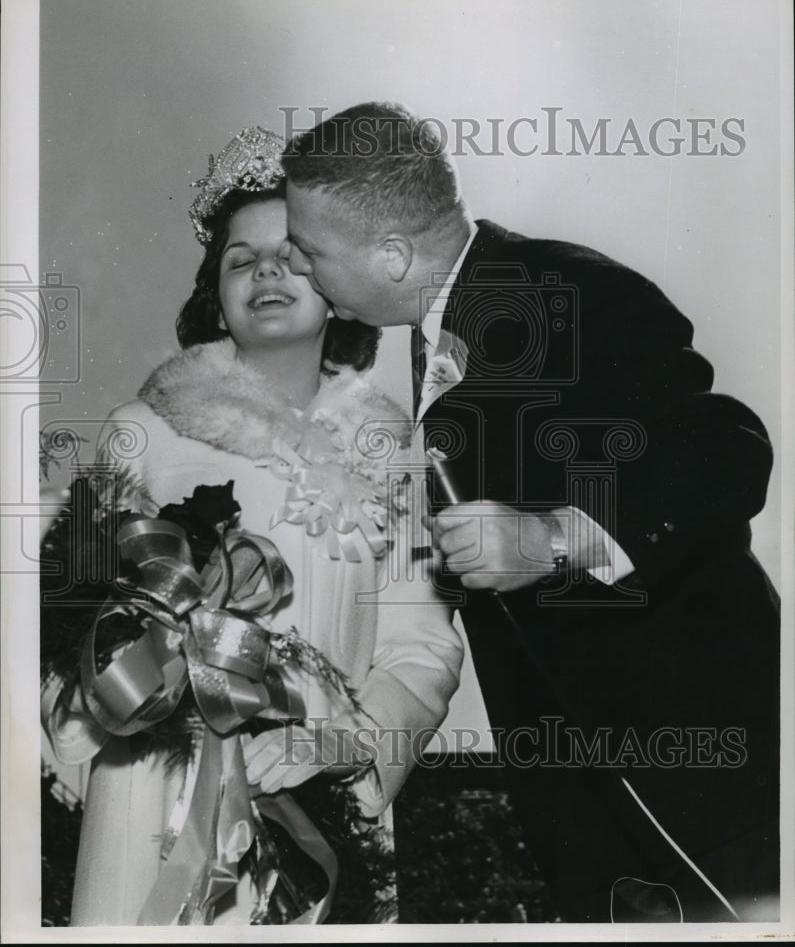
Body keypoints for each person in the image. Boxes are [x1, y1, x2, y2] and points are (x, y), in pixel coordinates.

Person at [279, 102, 780, 922]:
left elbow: (726, 447)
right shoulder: (434, 323)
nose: (300, 267)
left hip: (716, 785)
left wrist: (554, 537)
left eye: (310, 249)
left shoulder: (564, 289)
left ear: (394, 253)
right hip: (592, 805)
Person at [40, 127, 463, 926]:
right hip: (154, 790)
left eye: (292, 255)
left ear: (335, 284)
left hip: (318, 802)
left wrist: (353, 748)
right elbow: (63, 619)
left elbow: (421, 642)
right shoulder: (145, 429)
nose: (266, 271)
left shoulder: (390, 450)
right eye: (241, 259)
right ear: (216, 292)